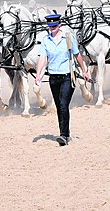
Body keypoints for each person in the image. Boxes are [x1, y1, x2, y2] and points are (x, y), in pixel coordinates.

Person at [35, 13, 90, 146]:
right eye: (50, 27)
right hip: (53, 78)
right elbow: (42, 58)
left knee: (64, 105)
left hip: (67, 76)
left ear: (59, 25)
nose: (52, 29)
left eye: (54, 26)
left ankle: (64, 135)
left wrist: (84, 70)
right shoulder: (46, 40)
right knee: (59, 106)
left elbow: (77, 55)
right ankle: (63, 132)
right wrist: (38, 74)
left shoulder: (68, 38)